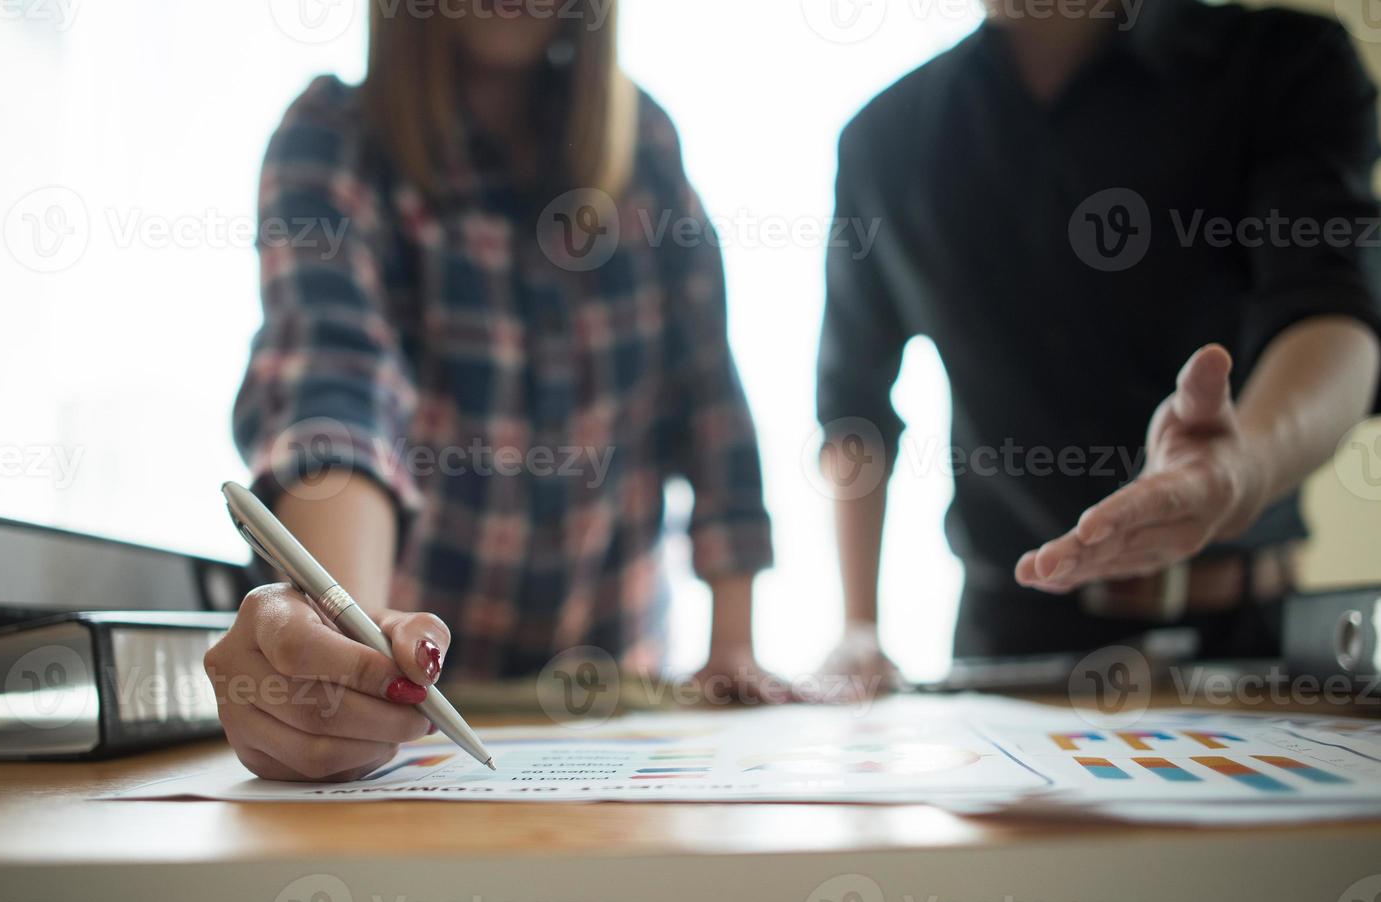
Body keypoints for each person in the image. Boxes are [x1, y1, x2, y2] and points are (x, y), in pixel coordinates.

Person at [204, 2, 776, 781]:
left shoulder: (643, 144)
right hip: (419, 709)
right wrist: (350, 647)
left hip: (619, 702)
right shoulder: (335, 137)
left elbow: (709, 402)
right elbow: (338, 392)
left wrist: (732, 646)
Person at [817, 0, 1381, 686]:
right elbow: (853, 411)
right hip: (1006, 661)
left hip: (1245, 648)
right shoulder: (883, 139)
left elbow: (1334, 315)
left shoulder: (1282, 63)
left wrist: (1242, 468)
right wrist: (856, 627)